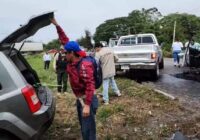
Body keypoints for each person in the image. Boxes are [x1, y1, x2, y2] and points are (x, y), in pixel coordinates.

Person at [51, 18, 98, 140]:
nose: (63, 54)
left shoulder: (84, 65)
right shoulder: (73, 57)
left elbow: (90, 85)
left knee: (88, 130)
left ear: (71, 53)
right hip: (80, 98)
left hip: (87, 99)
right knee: (84, 126)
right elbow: (64, 40)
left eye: (65, 52)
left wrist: (87, 105)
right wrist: (57, 25)